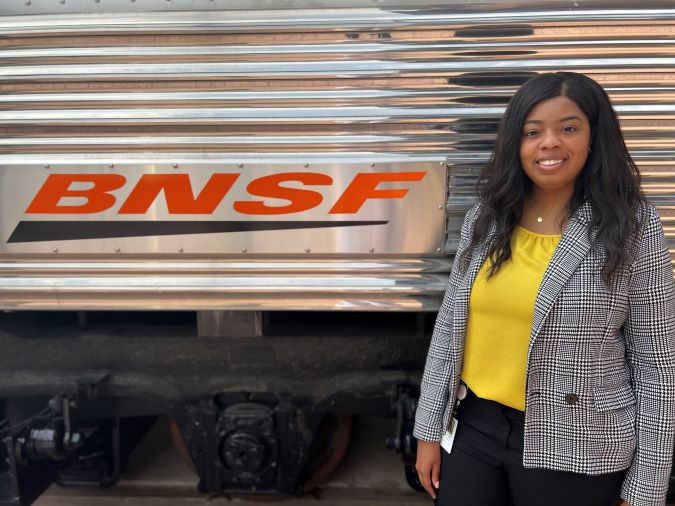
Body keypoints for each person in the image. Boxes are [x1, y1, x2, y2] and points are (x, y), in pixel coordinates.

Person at [413, 72, 675, 506]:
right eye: (532, 132)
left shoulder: (633, 226)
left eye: (568, 128)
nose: (549, 142)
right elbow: (449, 328)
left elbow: (657, 366)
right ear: (516, 144)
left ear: (594, 137)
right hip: (475, 426)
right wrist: (427, 431)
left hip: (578, 439)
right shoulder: (490, 214)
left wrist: (646, 486)